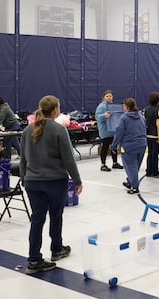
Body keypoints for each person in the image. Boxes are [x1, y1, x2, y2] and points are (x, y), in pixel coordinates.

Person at [20, 95, 83, 275]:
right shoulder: (59, 130)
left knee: (37, 220)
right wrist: (77, 180)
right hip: (54, 181)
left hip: (32, 182)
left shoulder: (27, 130)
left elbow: (23, 159)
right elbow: (68, 159)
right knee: (56, 216)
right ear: (55, 110)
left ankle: (34, 259)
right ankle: (56, 248)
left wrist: (24, 179)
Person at [112, 97, 147, 195]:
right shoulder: (141, 117)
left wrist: (114, 145)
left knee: (131, 166)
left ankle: (134, 187)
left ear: (126, 106)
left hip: (129, 146)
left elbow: (119, 132)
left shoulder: (124, 118)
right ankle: (130, 181)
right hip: (142, 144)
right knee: (136, 166)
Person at [95, 89, 122, 172]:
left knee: (114, 146)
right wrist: (104, 115)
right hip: (105, 131)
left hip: (113, 131)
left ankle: (115, 163)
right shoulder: (101, 106)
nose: (109, 97)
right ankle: (103, 164)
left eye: (110, 96)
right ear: (103, 97)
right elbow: (97, 117)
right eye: (107, 96)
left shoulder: (113, 106)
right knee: (105, 147)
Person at [143, 91, 159, 178]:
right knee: (155, 154)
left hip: (148, 134)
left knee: (150, 153)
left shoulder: (146, 110)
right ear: (158, 100)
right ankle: (155, 172)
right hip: (156, 135)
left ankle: (148, 171)